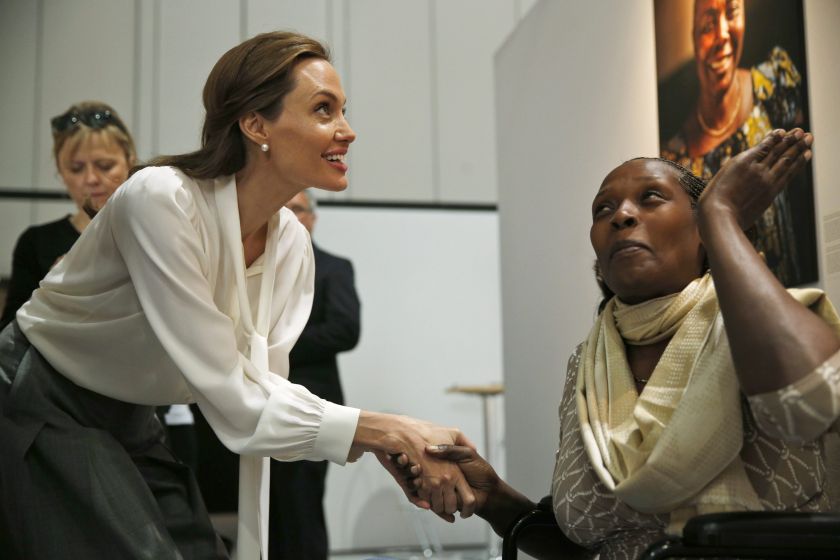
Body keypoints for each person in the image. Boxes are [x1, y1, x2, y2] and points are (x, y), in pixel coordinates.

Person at [0, 31, 475, 560]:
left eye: (343, 110)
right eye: (324, 110)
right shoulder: (161, 199)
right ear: (255, 125)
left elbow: (260, 398)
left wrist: (380, 440)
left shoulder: (292, 244)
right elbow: (236, 400)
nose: (348, 131)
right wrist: (389, 431)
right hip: (40, 395)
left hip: (134, 415)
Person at [415, 129, 840, 559]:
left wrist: (722, 217)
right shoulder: (588, 363)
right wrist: (493, 499)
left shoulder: (759, 323)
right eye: (603, 208)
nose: (621, 215)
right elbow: (600, 543)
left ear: (701, 228)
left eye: (651, 197)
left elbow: (810, 400)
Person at [661, 0, 809, 286]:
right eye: (707, 25)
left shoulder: (774, 85)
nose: (723, 34)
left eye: (732, 14)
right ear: (693, 38)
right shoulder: (676, 156)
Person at [269, 189, 361, 560]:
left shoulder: (334, 267)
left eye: (297, 209)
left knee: (302, 504)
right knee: (269, 507)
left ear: (312, 217)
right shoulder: (257, 267)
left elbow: (345, 329)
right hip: (264, 402)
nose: (289, 216)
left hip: (312, 402)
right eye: (282, 208)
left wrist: (275, 345)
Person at [0, 101, 136, 329]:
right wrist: (53, 294)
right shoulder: (37, 243)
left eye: (104, 165)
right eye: (76, 168)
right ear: (61, 172)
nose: (91, 178)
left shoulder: (148, 234)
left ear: (129, 162)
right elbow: (10, 337)